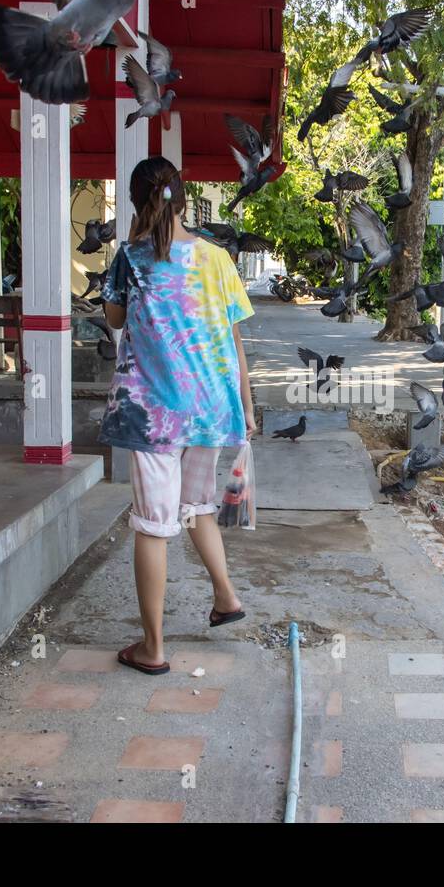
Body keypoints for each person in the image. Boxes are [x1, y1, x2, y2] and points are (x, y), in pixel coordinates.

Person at [98, 156, 256, 675]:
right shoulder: (217, 258)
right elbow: (235, 342)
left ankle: (153, 649)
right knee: (198, 505)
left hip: (155, 413)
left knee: (152, 525)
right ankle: (226, 597)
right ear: (183, 197)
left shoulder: (131, 257)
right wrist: (246, 407)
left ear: (136, 201)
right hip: (210, 407)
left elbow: (115, 317)